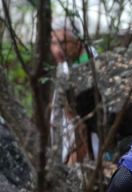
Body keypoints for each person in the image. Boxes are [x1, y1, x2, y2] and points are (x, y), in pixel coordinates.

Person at [50, 20, 97, 163]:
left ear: (78, 42)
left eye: (63, 43)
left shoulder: (89, 63)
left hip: (81, 149)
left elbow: (82, 124)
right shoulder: (66, 62)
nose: (57, 50)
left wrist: (72, 162)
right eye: (53, 43)